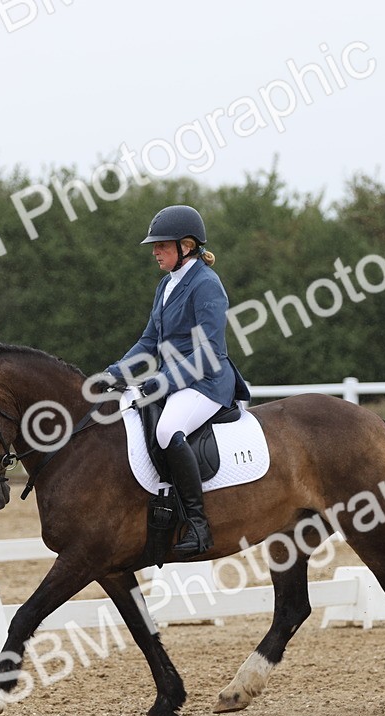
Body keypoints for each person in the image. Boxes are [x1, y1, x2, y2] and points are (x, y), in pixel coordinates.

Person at [104, 205, 251, 557]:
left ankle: (198, 525)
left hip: (208, 383)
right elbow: (149, 342)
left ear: (187, 246)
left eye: (162, 246)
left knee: (168, 430)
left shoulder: (206, 285)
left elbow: (209, 352)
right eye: (155, 247)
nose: (155, 252)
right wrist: (114, 372)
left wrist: (160, 383)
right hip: (176, 380)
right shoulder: (165, 286)